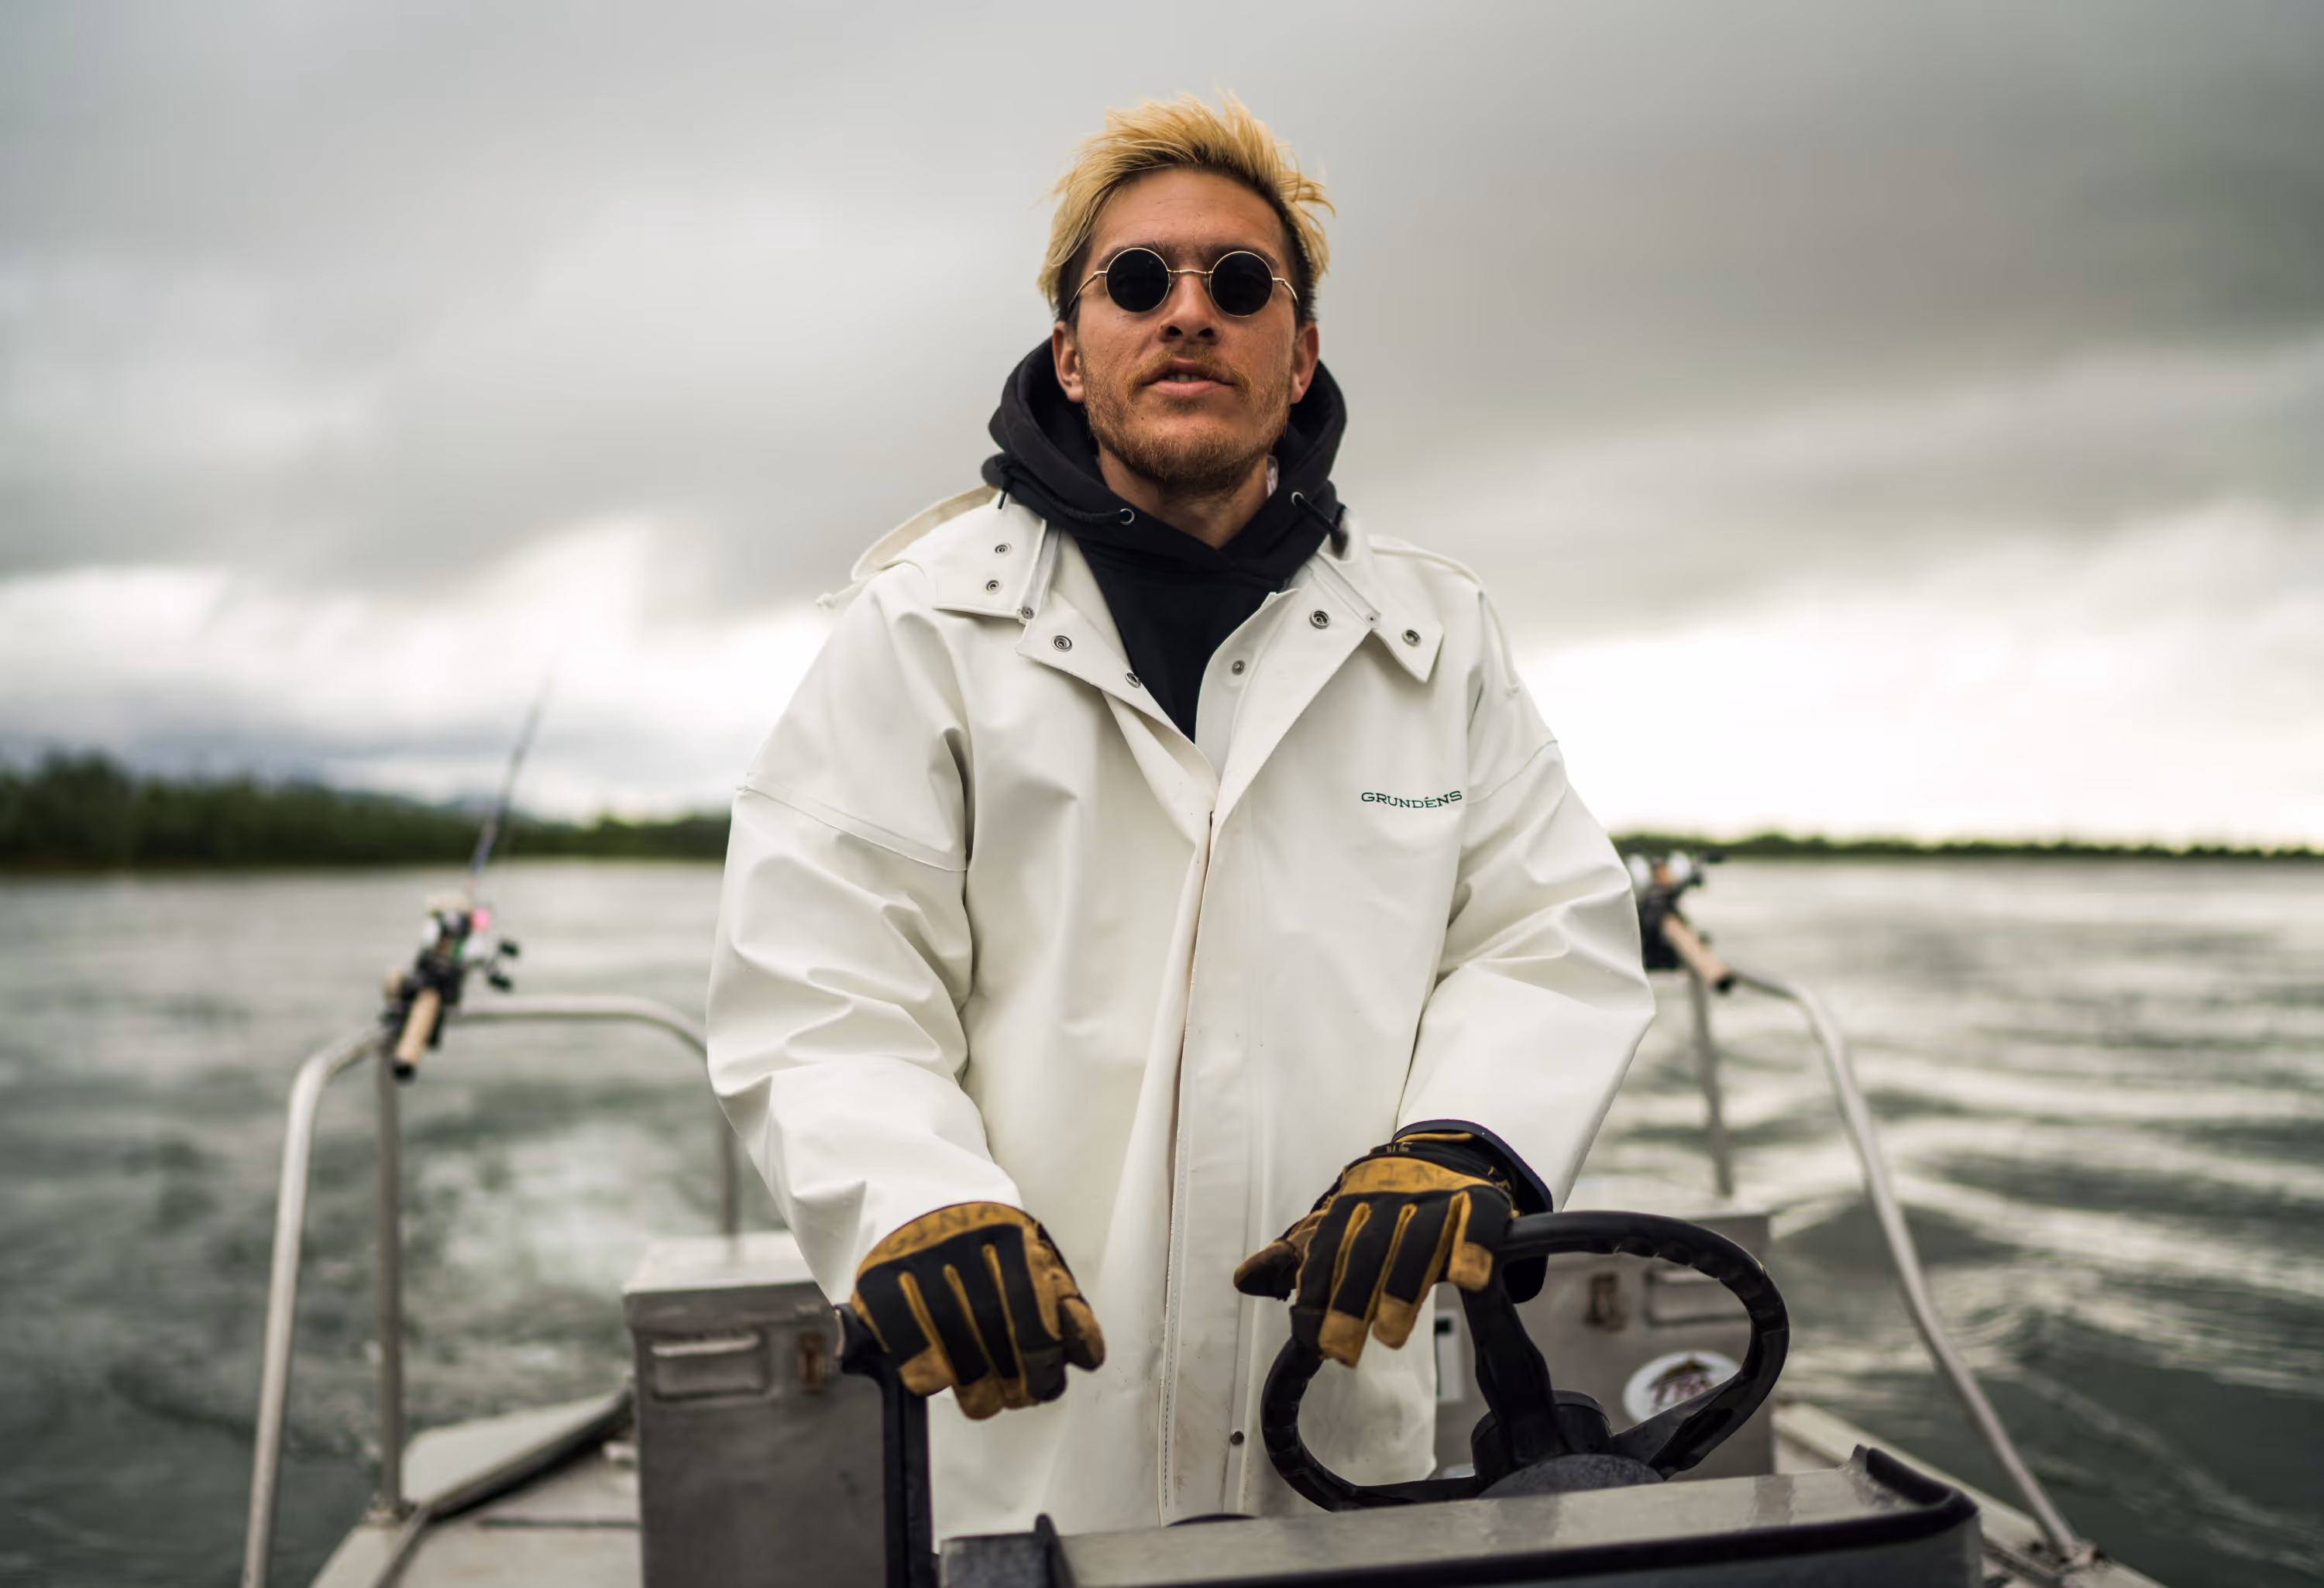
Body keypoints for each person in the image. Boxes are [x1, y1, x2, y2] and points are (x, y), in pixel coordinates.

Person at [706, 93, 1654, 1539]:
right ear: (1072, 353)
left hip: (1342, 1439)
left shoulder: (1436, 635)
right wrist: (908, 1195)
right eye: (1139, 281)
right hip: (1023, 1438)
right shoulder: (920, 629)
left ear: (1303, 347)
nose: (1189, 312)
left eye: (1241, 281)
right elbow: (823, 987)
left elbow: (1545, 933)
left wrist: (1463, 1140)